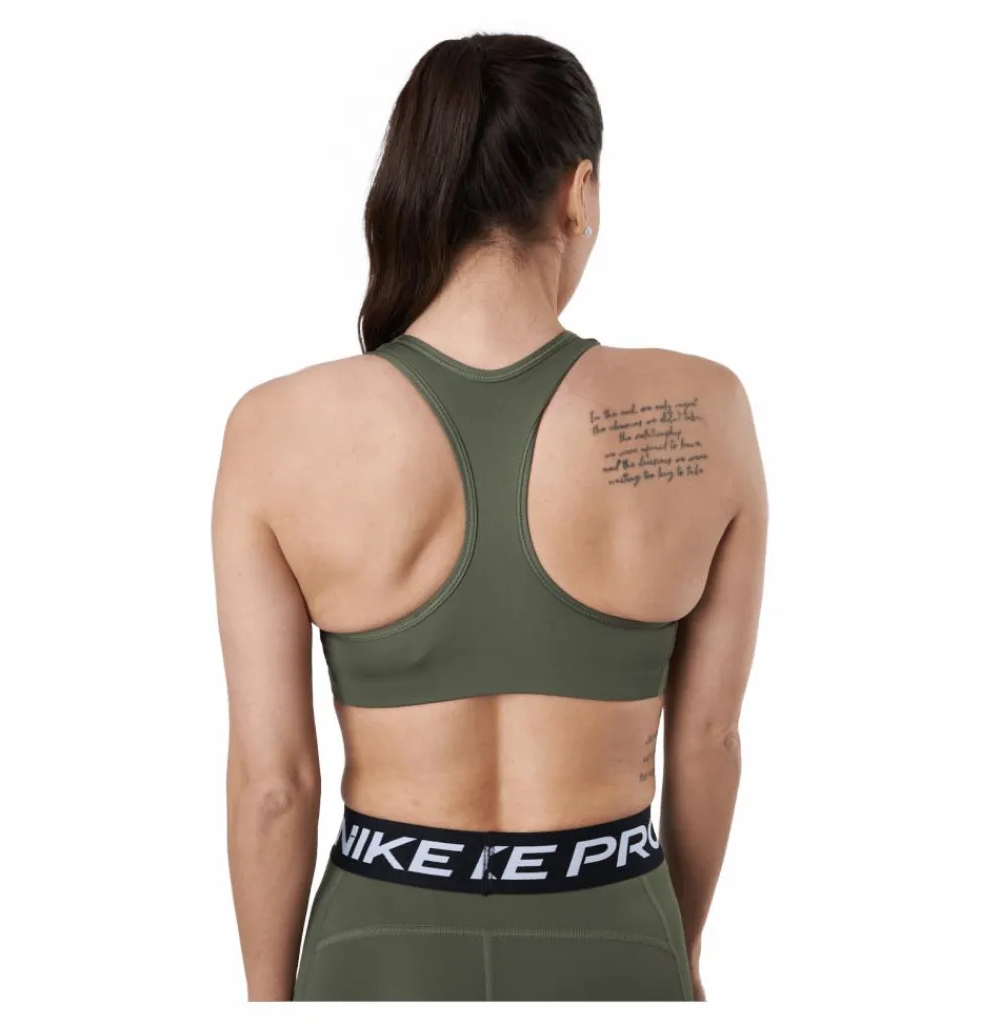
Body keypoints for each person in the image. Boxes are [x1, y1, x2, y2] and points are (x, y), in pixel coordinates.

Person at [212, 31, 766, 1002]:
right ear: (578, 192)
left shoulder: (278, 428)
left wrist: (268, 1004)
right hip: (613, 933)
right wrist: (672, 959)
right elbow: (709, 739)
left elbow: (274, 781)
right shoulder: (702, 410)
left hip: (381, 941)